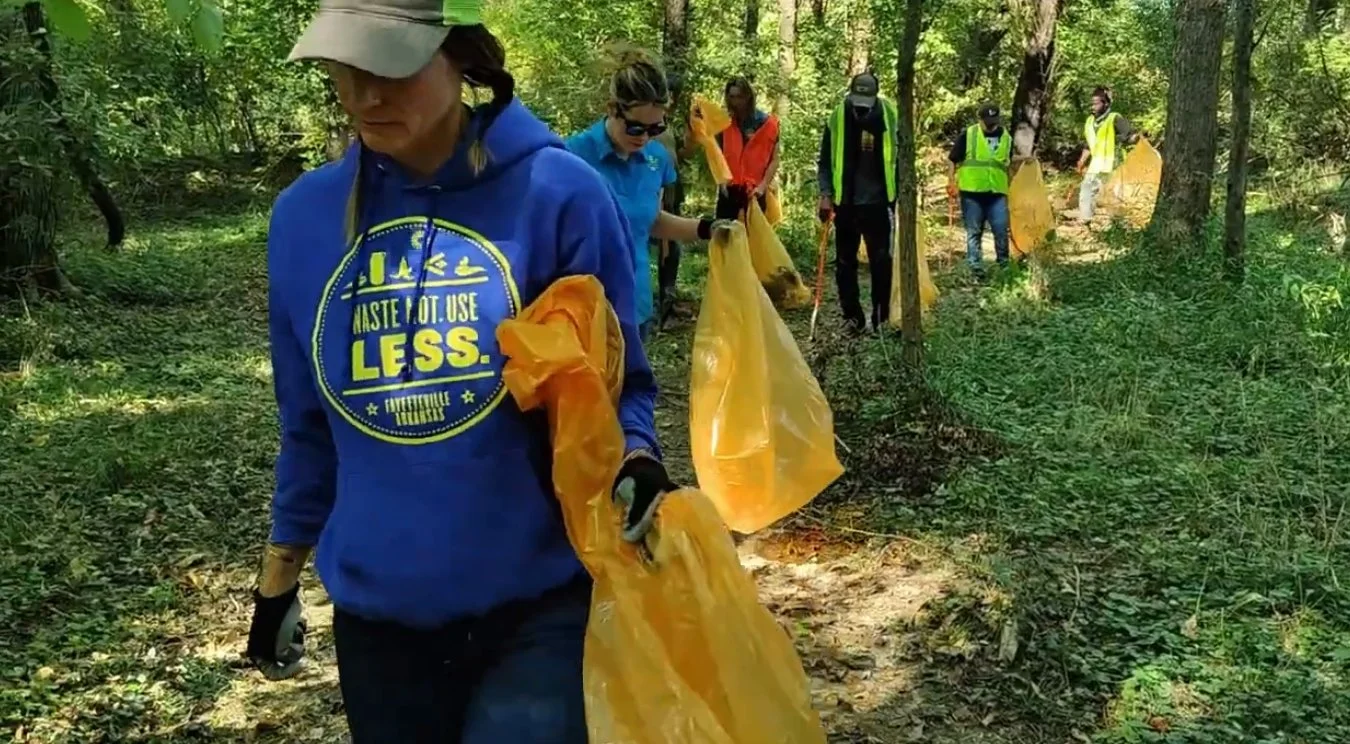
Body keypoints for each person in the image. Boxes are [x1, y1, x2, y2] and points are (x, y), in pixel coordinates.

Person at [246, 2, 677, 742]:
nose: (365, 95)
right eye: (347, 71)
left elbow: (623, 382)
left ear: (460, 57)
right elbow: (309, 425)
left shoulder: (559, 194)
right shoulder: (305, 221)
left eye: (391, 67)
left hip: (537, 606)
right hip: (379, 625)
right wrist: (279, 577)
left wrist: (637, 453)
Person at [566, 49, 716, 340]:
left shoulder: (656, 159)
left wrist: (706, 228)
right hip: (582, 312)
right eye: (635, 126)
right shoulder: (572, 156)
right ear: (612, 108)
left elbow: (650, 220)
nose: (644, 137)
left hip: (635, 307)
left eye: (655, 128)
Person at [817, 71, 899, 334]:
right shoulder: (838, 116)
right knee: (844, 264)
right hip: (847, 202)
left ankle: (880, 319)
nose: (861, 108)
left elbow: (902, 159)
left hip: (879, 202)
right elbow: (825, 161)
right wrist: (826, 195)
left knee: (881, 263)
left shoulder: (890, 116)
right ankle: (852, 318)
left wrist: (903, 198)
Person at [947, 102, 1012, 276]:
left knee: (1000, 230)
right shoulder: (969, 135)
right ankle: (975, 267)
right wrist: (951, 181)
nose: (991, 124)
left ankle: (1004, 267)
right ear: (980, 119)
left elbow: (1008, 163)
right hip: (971, 193)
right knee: (974, 231)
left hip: (996, 192)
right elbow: (952, 159)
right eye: (988, 120)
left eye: (994, 119)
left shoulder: (1006, 137)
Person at [713, 76, 781, 220]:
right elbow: (716, 154)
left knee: (753, 239)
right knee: (724, 237)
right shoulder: (724, 122)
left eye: (739, 97)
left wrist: (762, 187)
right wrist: (721, 181)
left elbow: (774, 159)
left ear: (748, 97)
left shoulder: (766, 123)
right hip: (729, 190)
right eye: (732, 97)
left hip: (755, 191)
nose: (736, 102)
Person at [1076, 86, 1138, 221]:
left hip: (1114, 164)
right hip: (1096, 165)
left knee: (1115, 196)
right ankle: (1085, 220)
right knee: (1086, 189)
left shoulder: (1115, 118)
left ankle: (1118, 225)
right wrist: (1082, 160)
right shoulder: (1089, 122)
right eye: (1092, 103)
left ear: (1106, 103)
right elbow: (1088, 144)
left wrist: (1138, 139)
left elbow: (1130, 136)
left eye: (1096, 103)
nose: (1093, 106)